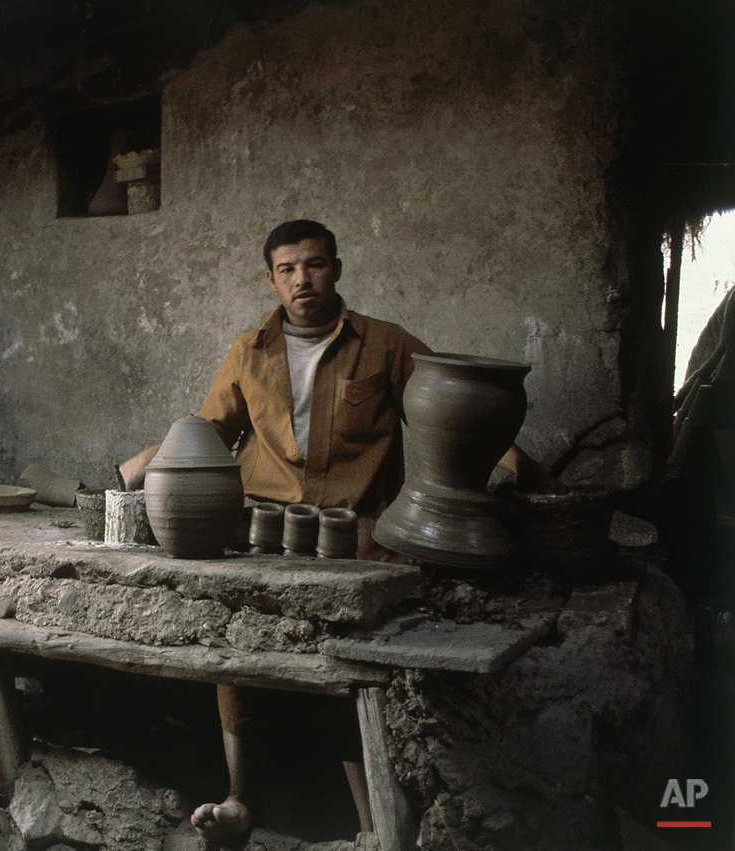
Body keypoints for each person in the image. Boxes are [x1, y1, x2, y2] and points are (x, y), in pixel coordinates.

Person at [119, 219, 545, 841]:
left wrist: (527, 471)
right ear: (271, 279)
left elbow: (454, 416)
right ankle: (241, 801)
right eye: (287, 270)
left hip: (357, 539)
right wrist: (136, 467)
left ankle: (375, 823)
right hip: (261, 534)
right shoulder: (249, 350)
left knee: (349, 669)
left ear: (337, 269)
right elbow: (208, 430)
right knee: (231, 654)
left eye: (314, 265)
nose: (302, 280)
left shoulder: (388, 346)